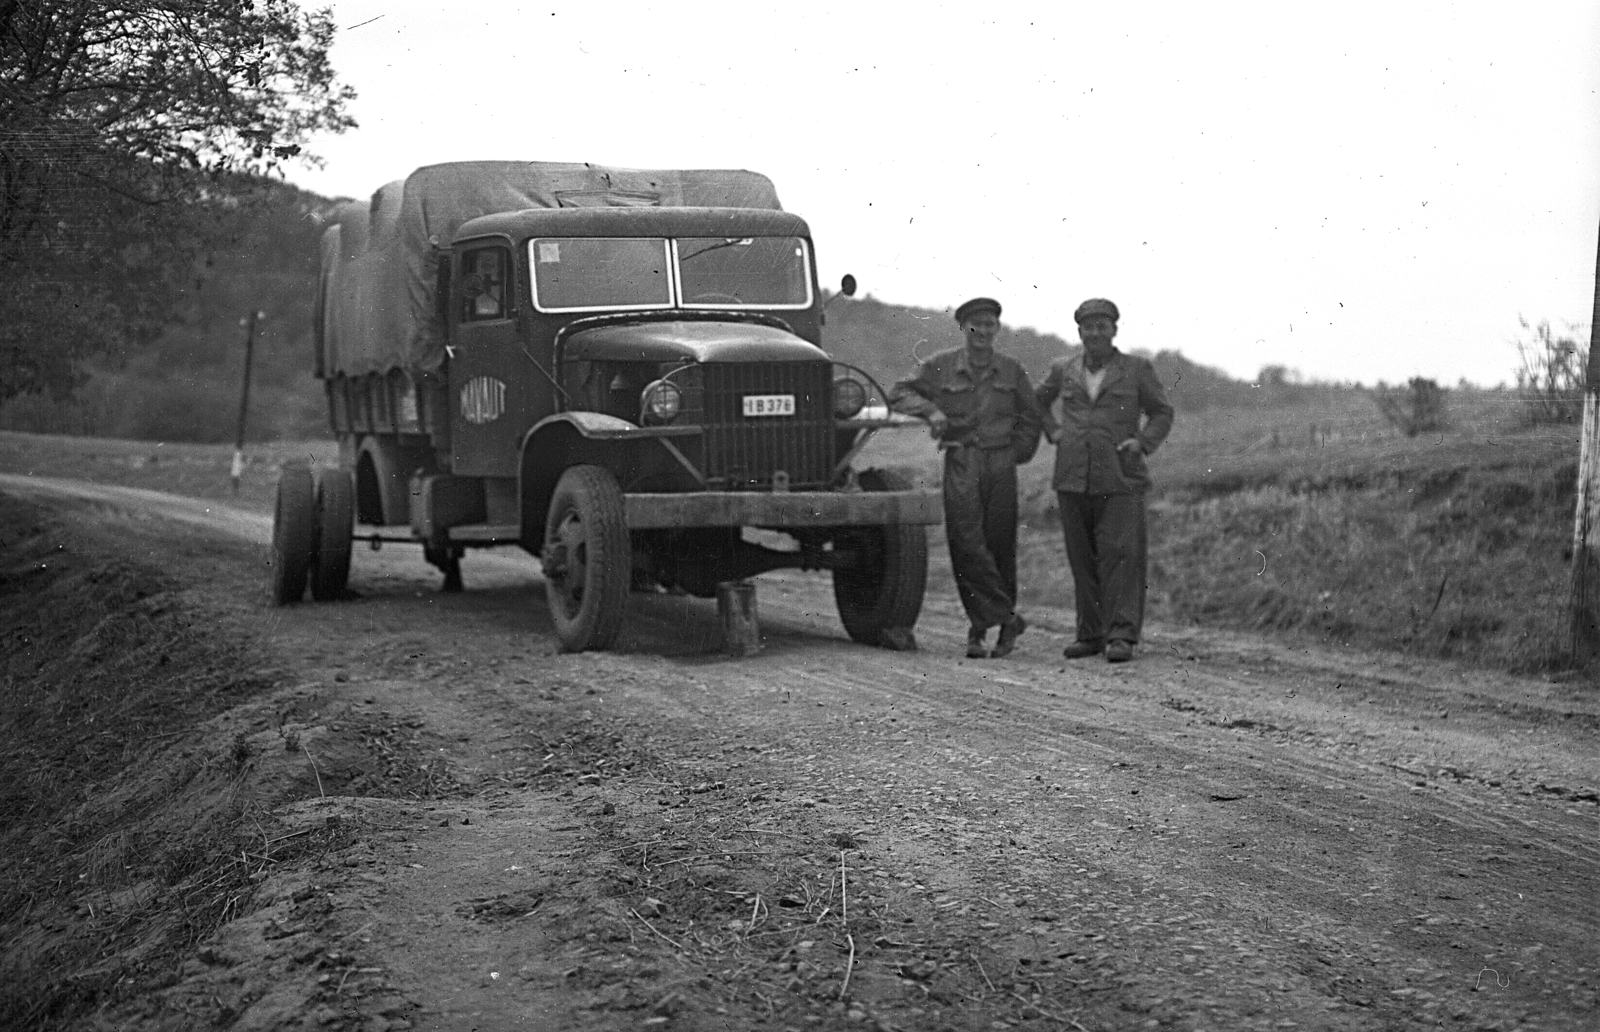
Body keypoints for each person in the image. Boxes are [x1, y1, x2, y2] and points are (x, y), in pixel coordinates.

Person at [889, 297, 1044, 659]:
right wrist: (930, 410)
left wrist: (1016, 453)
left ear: (997, 329)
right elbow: (898, 393)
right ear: (963, 329)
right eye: (976, 324)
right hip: (962, 459)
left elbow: (1031, 416)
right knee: (965, 542)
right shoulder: (941, 366)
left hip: (1000, 464)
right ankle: (997, 618)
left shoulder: (1012, 370)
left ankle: (990, 630)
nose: (983, 331)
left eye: (990, 324)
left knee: (999, 545)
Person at [1036, 298, 1174, 663]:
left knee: (1122, 558)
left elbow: (1161, 412)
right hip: (1072, 477)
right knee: (1082, 559)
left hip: (1120, 476)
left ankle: (1122, 636)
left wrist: (1142, 443)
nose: (1095, 333)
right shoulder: (1062, 368)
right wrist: (1052, 429)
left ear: (1114, 330)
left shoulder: (1136, 368)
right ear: (1079, 331)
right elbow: (1036, 402)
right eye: (1088, 327)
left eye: (1103, 326)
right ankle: (1090, 634)